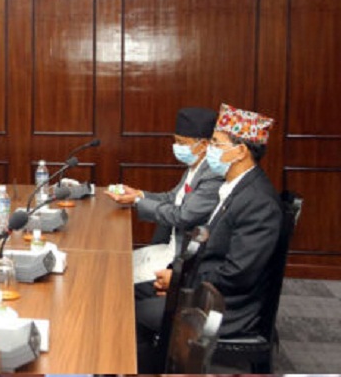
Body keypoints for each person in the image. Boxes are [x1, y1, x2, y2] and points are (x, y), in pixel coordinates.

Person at [135, 103, 283, 372]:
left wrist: (181, 282)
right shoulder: (234, 186)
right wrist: (177, 277)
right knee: (128, 292)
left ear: (240, 151)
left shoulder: (259, 202)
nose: (209, 149)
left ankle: (153, 366)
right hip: (202, 284)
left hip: (224, 306)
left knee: (136, 312)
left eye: (215, 143)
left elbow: (238, 273)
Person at [105, 107, 222, 287]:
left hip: (179, 258)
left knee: (118, 281)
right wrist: (139, 194)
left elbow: (183, 215)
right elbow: (172, 197)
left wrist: (137, 201)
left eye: (182, 142)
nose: (177, 147)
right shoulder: (195, 166)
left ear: (204, 144)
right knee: (115, 265)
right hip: (168, 247)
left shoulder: (213, 174)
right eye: (176, 141)